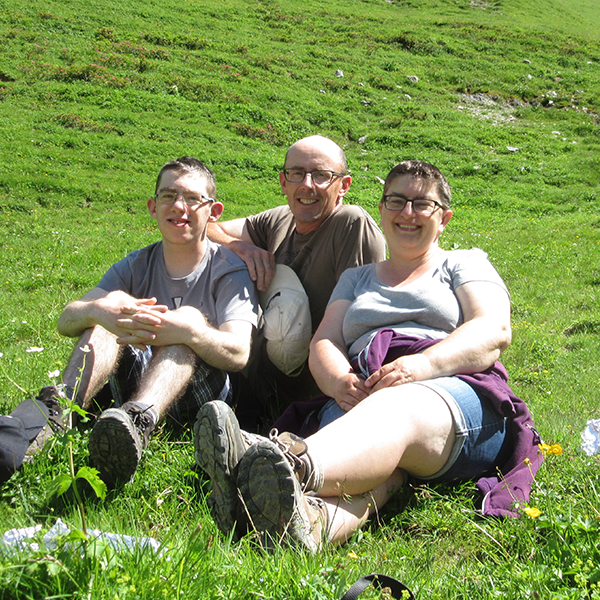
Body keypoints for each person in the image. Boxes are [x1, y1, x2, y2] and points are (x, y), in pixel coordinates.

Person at [195, 160, 543, 550]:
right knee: (385, 473)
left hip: (452, 395)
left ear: (443, 218)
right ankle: (307, 523)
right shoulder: (356, 278)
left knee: (396, 408)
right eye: (396, 201)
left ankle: (282, 462)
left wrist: (422, 366)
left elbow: (492, 329)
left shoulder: (463, 262)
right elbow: (325, 341)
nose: (407, 212)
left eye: (421, 204)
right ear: (382, 209)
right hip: (363, 391)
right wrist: (339, 381)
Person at [37, 156, 258, 487]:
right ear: (153, 207)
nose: (178, 206)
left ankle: (138, 423)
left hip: (199, 397)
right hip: (134, 378)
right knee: (106, 311)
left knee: (188, 321)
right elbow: (67, 318)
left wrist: (188, 330)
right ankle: (57, 414)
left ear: (213, 211)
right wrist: (100, 311)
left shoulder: (229, 270)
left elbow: (239, 353)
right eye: (168, 196)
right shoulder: (137, 263)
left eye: (192, 198)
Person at [207, 135, 386, 426]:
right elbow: (206, 229)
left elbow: (362, 326)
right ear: (283, 182)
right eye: (297, 174)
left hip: (323, 392)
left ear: (344, 185)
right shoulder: (277, 221)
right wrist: (239, 247)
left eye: (321, 175)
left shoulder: (351, 224)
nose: (307, 184)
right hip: (258, 383)